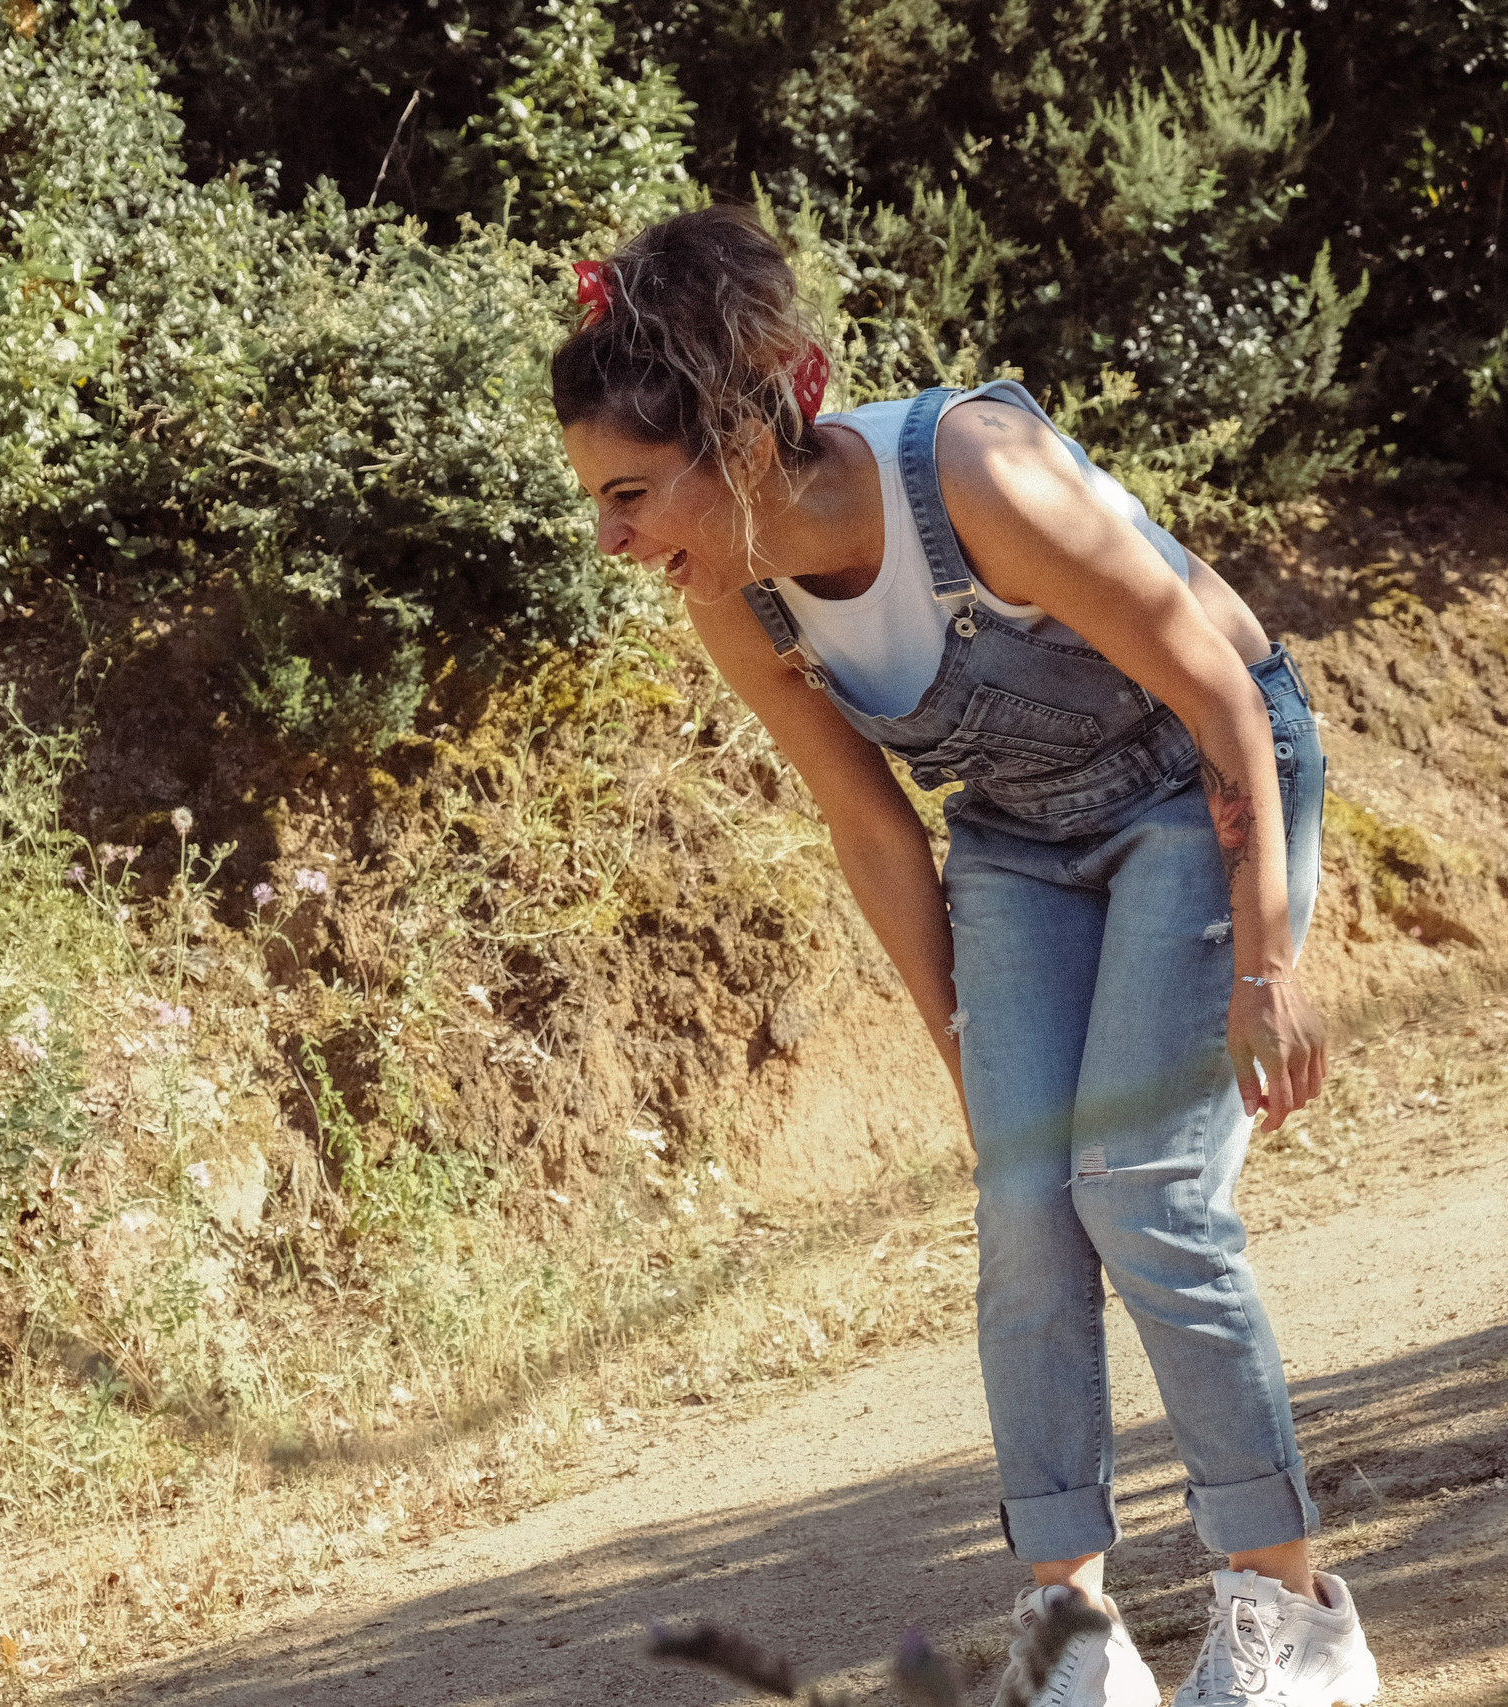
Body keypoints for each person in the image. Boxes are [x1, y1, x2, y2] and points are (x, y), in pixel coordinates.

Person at [552, 205, 1378, 1707]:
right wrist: (965, 1050)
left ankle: (1296, 1615)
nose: (609, 540)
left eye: (626, 495)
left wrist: (1269, 963)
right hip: (1019, 836)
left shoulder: (971, 474)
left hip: (1197, 789)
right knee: (1022, 1202)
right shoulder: (730, 594)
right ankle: (1074, 1636)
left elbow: (1225, 697)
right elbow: (873, 828)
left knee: (1144, 1192)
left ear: (736, 441)